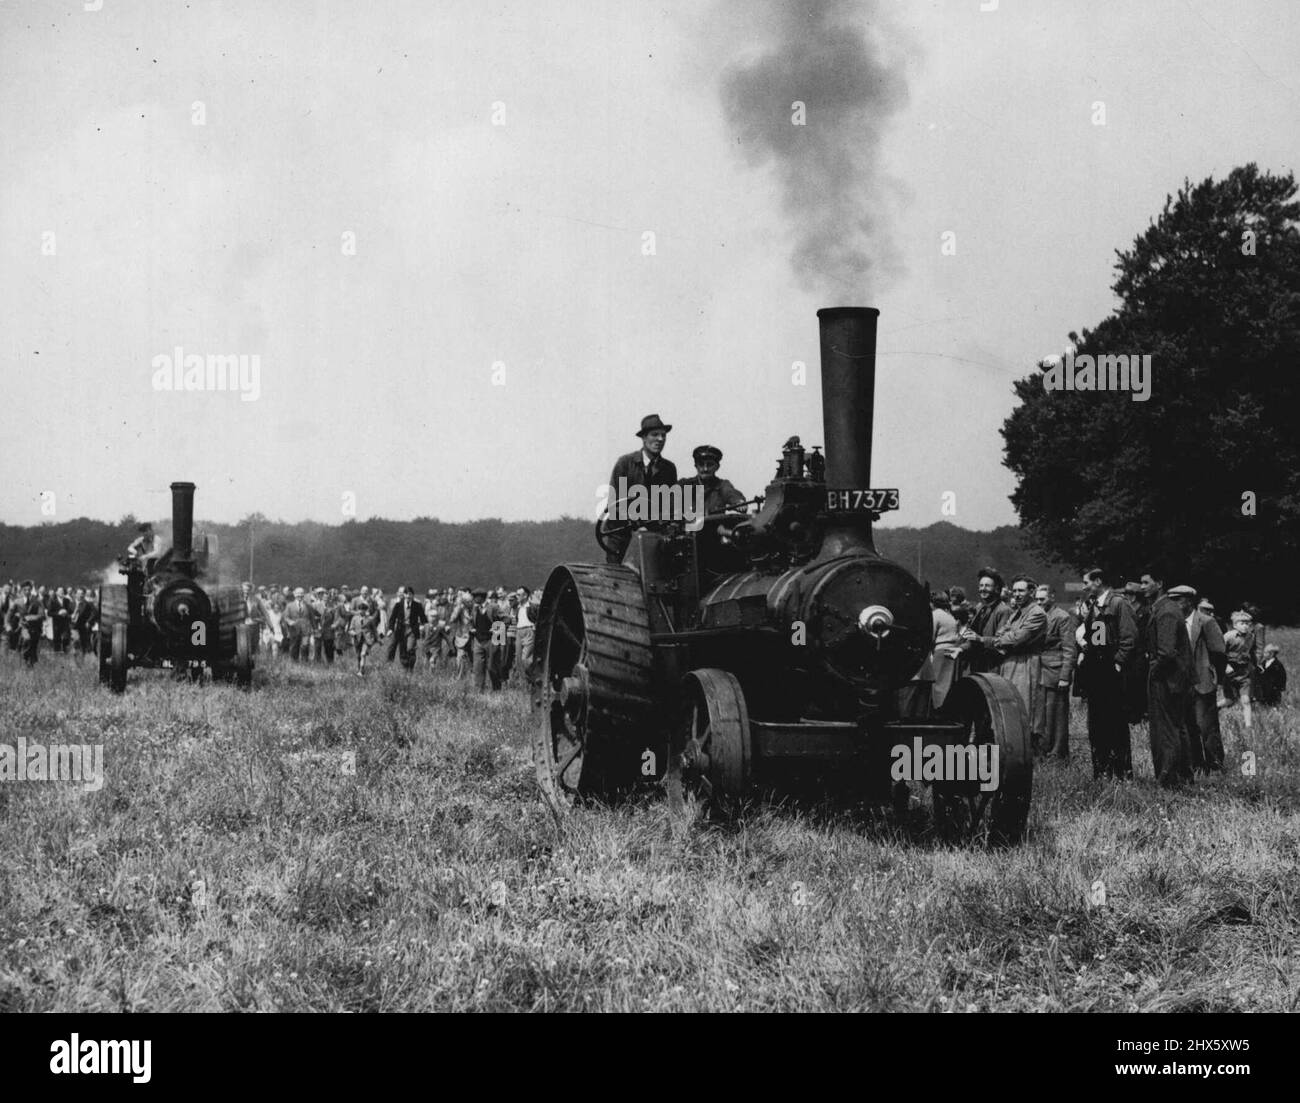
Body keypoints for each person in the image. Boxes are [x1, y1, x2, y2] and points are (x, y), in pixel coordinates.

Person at [1075, 567, 1138, 780]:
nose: (1084, 587)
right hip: (1096, 673)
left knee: (1116, 725)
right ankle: (1102, 771)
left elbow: (1129, 637)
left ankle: (1121, 772)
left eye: (1086, 582)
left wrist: (1118, 663)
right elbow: (1096, 638)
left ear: (1098, 581)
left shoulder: (1119, 604)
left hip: (1112, 673)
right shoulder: (1094, 606)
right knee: (1097, 724)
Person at [1140, 569, 1194, 788]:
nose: (1142, 586)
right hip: (1173, 679)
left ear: (1159, 583)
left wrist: (1154, 672)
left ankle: (1168, 779)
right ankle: (1182, 777)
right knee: (1177, 728)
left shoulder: (1166, 612)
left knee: (1167, 730)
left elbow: (1167, 653)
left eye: (1146, 582)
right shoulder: (1164, 609)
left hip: (1168, 680)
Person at [603, 414, 679, 564]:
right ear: (644, 438)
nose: (660, 439)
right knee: (616, 576)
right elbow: (616, 504)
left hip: (653, 535)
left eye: (663, 435)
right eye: (655, 435)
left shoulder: (668, 469)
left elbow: (669, 505)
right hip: (621, 533)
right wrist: (637, 526)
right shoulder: (625, 463)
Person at [973, 575, 1046, 720]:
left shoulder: (1037, 613)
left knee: (1023, 708)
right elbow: (1002, 633)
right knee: (1009, 706)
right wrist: (1002, 639)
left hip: (1025, 664)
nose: (1016, 594)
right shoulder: (1016, 614)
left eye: (1021, 591)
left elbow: (1017, 638)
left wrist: (991, 640)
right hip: (1010, 663)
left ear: (1031, 592)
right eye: (1014, 591)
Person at [1171, 585, 1226, 773]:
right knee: (1188, 726)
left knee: (1207, 727)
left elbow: (1219, 651)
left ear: (1189, 601)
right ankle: (1197, 765)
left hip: (1203, 681)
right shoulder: (1174, 622)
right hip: (1182, 683)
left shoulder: (1206, 621)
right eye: (1172, 599)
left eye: (1178, 599)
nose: (1175, 603)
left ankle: (1216, 766)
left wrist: (1216, 677)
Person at [1033, 584, 1077, 760]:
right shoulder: (1037, 616)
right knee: (1042, 715)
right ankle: (1043, 751)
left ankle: (1058, 754)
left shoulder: (1062, 617)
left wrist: (1065, 676)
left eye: (1042, 599)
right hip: (1039, 670)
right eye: (1036, 599)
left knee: (1057, 716)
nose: (1038, 602)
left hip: (1056, 672)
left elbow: (1069, 649)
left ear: (1052, 597)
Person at [958, 568, 1011, 674]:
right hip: (977, 664)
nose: (983, 589)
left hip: (993, 666)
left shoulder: (1003, 610)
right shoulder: (980, 609)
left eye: (987, 586)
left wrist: (980, 639)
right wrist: (960, 649)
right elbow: (973, 637)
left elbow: (1001, 641)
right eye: (981, 585)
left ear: (996, 589)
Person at [1222, 611, 1257, 729]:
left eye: (1248, 623)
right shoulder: (1228, 636)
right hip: (1229, 671)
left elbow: (1251, 652)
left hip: (1244, 672)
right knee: (1229, 701)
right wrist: (1225, 665)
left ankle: (1249, 726)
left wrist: (1254, 665)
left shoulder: (1251, 637)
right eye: (1242, 623)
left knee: (1246, 700)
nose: (1246, 626)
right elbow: (1219, 653)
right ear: (1235, 625)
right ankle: (1213, 709)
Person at [1122, 580, 1150, 724]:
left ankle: (1139, 714)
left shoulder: (1145, 611)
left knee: (1139, 684)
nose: (1127, 596)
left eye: (1130, 594)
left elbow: (1146, 633)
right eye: (1126, 593)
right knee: (1127, 683)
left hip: (1140, 652)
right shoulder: (1125, 610)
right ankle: (1130, 714)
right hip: (1128, 651)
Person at [929, 591, 962, 710]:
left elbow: (931, 637)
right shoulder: (950, 616)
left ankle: (938, 708)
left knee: (938, 682)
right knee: (947, 681)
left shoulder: (935, 615)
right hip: (952, 650)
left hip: (941, 650)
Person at [388, 585, 426, 672]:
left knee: (410, 648)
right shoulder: (398, 605)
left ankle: (411, 665)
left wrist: (422, 625)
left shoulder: (417, 605)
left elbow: (423, 618)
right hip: (401, 629)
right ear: (404, 595)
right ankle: (405, 667)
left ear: (413, 595)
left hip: (412, 629)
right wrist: (390, 629)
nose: (408, 596)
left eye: (410, 594)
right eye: (406, 594)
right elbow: (392, 618)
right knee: (403, 649)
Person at [468, 588, 495, 691]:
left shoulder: (493, 607)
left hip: (491, 640)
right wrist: (472, 629)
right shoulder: (475, 609)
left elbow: (505, 620)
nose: (474, 599)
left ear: (481, 597)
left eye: (476, 597)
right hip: (478, 641)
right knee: (478, 667)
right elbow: (472, 621)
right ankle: (479, 690)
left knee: (492, 666)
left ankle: (496, 689)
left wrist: (498, 637)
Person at [16, 581, 45, 666]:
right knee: (26, 639)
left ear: (31, 590)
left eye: (29, 590)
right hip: (24, 627)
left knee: (33, 647)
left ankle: (31, 666)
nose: (27, 592)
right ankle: (23, 661)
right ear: (22, 590)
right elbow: (10, 613)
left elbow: (42, 615)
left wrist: (31, 617)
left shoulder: (37, 601)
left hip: (35, 628)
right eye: (25, 590)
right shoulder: (18, 601)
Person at [349, 597, 380, 676]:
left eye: (363, 609)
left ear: (366, 610)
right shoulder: (354, 618)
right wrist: (353, 633)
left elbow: (374, 630)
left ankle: (361, 670)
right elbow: (350, 629)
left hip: (366, 639)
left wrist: (378, 639)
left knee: (363, 654)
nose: (361, 611)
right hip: (357, 639)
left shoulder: (369, 619)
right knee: (358, 656)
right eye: (360, 609)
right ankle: (360, 669)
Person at [72, 588, 98, 659]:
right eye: (79, 594)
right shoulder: (71, 603)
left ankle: (81, 658)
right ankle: (75, 656)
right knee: (76, 640)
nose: (80, 595)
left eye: (82, 594)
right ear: (75, 594)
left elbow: (95, 613)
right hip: (72, 626)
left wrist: (89, 621)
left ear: (84, 595)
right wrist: (70, 616)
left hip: (83, 627)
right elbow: (66, 612)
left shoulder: (88, 604)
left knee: (84, 643)